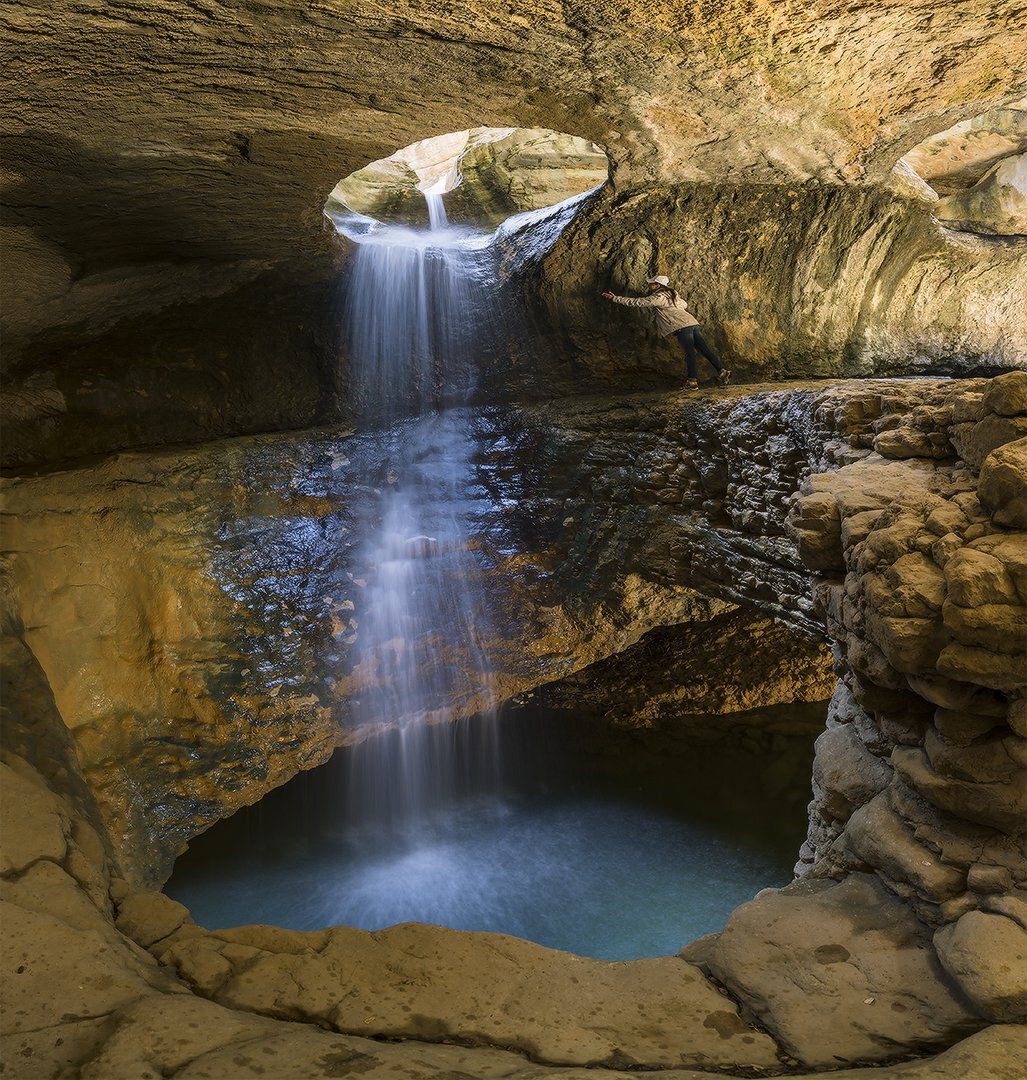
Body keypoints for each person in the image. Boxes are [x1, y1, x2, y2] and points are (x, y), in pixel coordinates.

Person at [601, 275, 730, 390]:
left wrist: (614, 298)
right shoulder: (673, 293)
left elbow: (637, 302)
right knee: (705, 350)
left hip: (681, 325)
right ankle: (722, 371)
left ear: (658, 285)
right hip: (692, 322)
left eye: (651, 283)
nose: (649, 285)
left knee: (689, 353)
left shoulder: (659, 296)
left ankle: (692, 381)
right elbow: (684, 305)